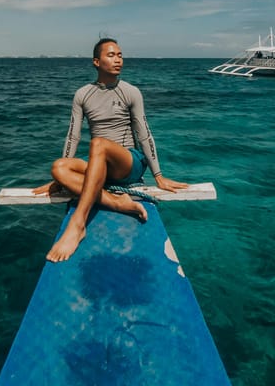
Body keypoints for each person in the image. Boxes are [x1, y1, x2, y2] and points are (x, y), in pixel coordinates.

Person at [33, 38, 188, 262]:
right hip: (100, 164)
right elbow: (72, 136)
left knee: (98, 143)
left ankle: (78, 225)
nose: (118, 60)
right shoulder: (82, 95)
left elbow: (144, 133)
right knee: (58, 167)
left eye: (120, 55)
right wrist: (60, 181)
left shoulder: (131, 92)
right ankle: (117, 202)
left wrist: (158, 175)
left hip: (129, 163)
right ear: (96, 61)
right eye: (111, 55)